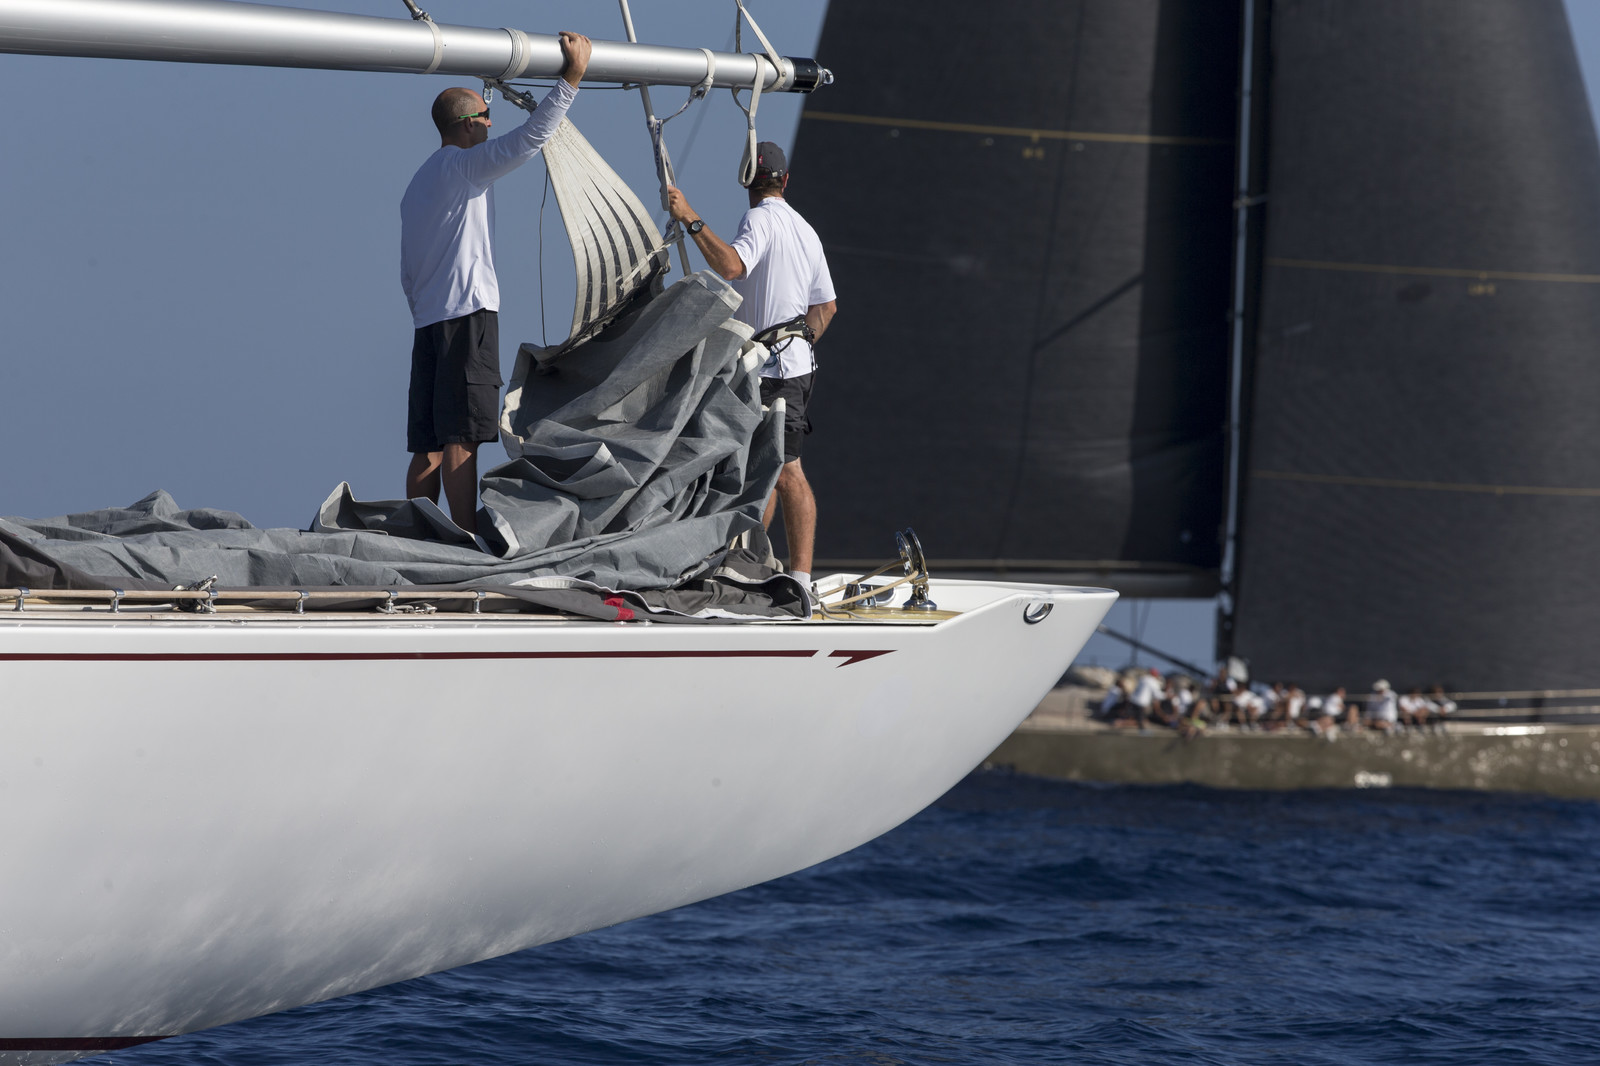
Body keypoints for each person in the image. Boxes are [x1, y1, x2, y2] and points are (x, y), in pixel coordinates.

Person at [399, 31, 592, 536]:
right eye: (484, 117)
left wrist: (427, 311)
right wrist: (570, 80)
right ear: (466, 126)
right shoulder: (463, 167)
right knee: (463, 436)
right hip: (465, 316)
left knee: (430, 442)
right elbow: (528, 140)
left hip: (429, 323)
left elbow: (408, 270)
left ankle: (419, 541)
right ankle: (467, 547)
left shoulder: (417, 184)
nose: (490, 123)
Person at [665, 142, 837, 589]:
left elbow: (732, 265)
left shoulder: (758, 219)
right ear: (785, 180)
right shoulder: (805, 229)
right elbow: (827, 307)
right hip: (792, 369)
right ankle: (753, 561)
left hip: (769, 372)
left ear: (747, 181)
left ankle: (798, 576)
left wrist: (690, 218)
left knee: (784, 468)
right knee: (764, 467)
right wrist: (798, 342)